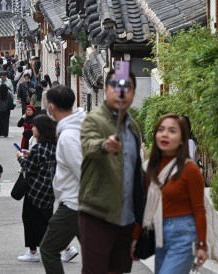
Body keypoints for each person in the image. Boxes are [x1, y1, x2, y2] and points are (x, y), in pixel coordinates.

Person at [79, 69, 144, 274]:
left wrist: (140, 220)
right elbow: (88, 144)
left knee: (118, 270)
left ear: (133, 93)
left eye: (127, 88)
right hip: (97, 212)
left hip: (126, 217)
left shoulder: (133, 127)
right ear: (106, 90)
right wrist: (104, 145)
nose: (121, 92)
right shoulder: (94, 120)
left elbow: (135, 174)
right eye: (116, 86)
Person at [138, 114, 207, 274]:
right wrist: (135, 236)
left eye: (172, 131)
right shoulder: (150, 168)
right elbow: (144, 204)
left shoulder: (190, 169)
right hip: (158, 235)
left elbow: (199, 209)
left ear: (182, 139)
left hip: (183, 235)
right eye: (161, 129)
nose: (165, 134)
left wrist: (202, 244)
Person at [40, 85, 85, 273]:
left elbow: (83, 172)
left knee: (48, 249)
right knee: (96, 252)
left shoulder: (68, 136)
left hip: (74, 203)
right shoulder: (79, 125)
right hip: (82, 203)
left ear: (51, 107)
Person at [15, 115, 57, 262]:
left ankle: (33, 252)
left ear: (41, 129)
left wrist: (20, 157)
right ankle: (58, 248)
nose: (32, 128)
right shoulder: (53, 146)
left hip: (35, 191)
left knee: (29, 220)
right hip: (49, 190)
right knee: (46, 220)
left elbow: (29, 168)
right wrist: (29, 154)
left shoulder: (38, 148)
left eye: (35, 126)